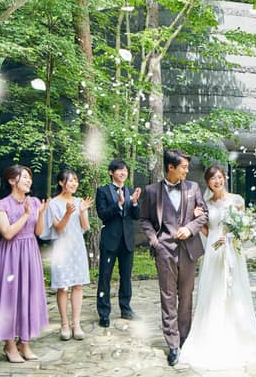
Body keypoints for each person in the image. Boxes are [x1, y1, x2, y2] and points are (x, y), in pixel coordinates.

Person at [180, 164, 256, 369]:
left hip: (233, 251)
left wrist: (231, 237)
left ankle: (238, 331)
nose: (217, 181)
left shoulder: (237, 200)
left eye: (220, 177)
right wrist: (203, 225)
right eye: (213, 178)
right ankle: (212, 333)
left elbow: (244, 228)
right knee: (213, 291)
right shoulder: (205, 203)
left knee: (233, 290)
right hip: (214, 251)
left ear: (225, 178)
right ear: (208, 183)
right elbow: (205, 228)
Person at [141, 149, 208, 366]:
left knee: (186, 297)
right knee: (168, 297)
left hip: (189, 251)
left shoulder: (193, 188)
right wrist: (155, 241)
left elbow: (204, 214)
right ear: (171, 167)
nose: (187, 171)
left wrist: (189, 228)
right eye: (183, 167)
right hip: (164, 251)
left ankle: (184, 338)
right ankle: (172, 344)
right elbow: (145, 220)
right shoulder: (151, 191)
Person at [0, 165, 49, 363]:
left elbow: (38, 232)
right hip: (11, 254)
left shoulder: (34, 201)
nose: (28, 180)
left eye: (29, 177)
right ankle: (9, 344)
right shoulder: (0, 205)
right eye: (24, 177)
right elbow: (7, 233)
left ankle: (24, 342)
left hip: (30, 251)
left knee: (28, 296)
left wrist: (41, 213)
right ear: (11, 180)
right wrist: (25, 215)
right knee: (10, 297)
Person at [41, 168, 93, 341]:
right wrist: (68, 213)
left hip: (77, 247)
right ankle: (64, 324)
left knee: (78, 285)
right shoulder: (53, 204)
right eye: (70, 180)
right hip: (62, 249)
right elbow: (58, 228)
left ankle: (76, 324)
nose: (74, 183)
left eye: (75, 180)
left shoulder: (79, 201)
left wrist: (83, 211)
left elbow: (85, 227)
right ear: (61, 182)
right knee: (63, 286)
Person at [95, 159, 142, 328]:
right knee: (105, 277)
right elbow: (102, 214)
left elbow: (136, 216)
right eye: (120, 170)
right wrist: (119, 204)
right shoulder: (103, 191)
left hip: (127, 240)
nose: (123, 173)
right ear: (111, 172)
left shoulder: (131, 191)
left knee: (126, 276)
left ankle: (126, 309)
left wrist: (134, 202)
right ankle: (104, 313)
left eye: (125, 170)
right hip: (110, 240)